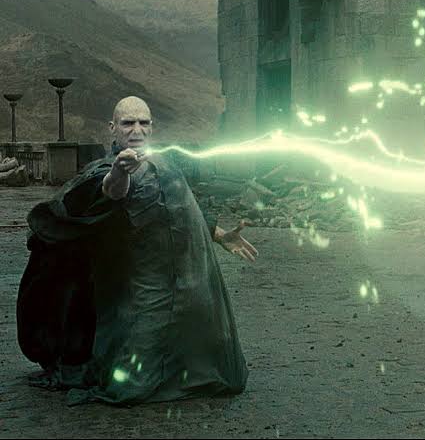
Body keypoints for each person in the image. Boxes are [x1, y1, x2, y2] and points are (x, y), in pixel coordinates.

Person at [17, 96, 258, 406]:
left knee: (204, 357)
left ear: (152, 127)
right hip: (142, 287)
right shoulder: (106, 169)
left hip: (183, 282)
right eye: (128, 123)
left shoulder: (166, 165)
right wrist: (120, 171)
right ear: (113, 128)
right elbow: (111, 191)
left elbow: (184, 207)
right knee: (131, 384)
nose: (137, 130)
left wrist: (221, 235)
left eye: (143, 123)